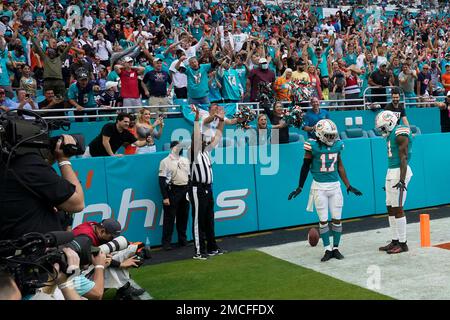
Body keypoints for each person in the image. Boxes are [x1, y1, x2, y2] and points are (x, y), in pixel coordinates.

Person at [288, 119, 362, 261]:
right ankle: (327, 249)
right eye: (328, 135)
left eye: (332, 135)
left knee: (337, 219)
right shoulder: (312, 145)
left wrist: (348, 185)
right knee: (323, 220)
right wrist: (300, 186)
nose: (331, 138)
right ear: (320, 134)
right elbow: (305, 167)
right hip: (319, 187)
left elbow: (340, 166)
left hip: (335, 187)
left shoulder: (338, 145)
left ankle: (336, 248)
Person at [0, 134, 84, 240]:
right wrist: (63, 159)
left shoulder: (10, 165)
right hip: (34, 250)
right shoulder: (29, 165)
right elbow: (77, 203)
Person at [72, 218, 145, 300]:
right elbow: (97, 259)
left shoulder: (94, 226)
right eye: (111, 237)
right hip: (74, 275)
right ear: (102, 231)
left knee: (122, 253)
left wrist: (135, 248)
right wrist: (121, 264)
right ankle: (124, 289)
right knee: (110, 262)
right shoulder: (86, 238)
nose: (112, 239)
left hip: (80, 265)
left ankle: (124, 287)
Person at [188, 105, 227, 260]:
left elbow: (218, 134)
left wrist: (222, 120)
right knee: (199, 220)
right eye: (203, 138)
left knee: (209, 219)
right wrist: (197, 120)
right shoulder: (193, 151)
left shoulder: (205, 152)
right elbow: (196, 136)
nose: (206, 140)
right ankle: (199, 251)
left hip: (207, 189)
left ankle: (212, 247)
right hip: (197, 188)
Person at [375, 110, 413, 254]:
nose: (382, 130)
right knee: (390, 207)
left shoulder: (400, 132)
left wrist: (402, 180)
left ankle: (403, 244)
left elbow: (403, 158)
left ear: (390, 123)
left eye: (383, 127)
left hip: (399, 172)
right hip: (391, 171)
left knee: (398, 207)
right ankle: (395, 240)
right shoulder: (391, 133)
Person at [159, 141, 190, 250]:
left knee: (183, 216)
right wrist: (165, 197)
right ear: (172, 148)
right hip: (173, 190)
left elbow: (189, 176)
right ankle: (166, 243)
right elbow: (161, 181)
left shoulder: (185, 160)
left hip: (185, 190)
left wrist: (189, 191)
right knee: (169, 218)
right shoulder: (165, 162)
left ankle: (183, 240)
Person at [83, 113, 152, 157]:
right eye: (125, 122)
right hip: (91, 153)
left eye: (128, 122)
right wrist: (112, 155)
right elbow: (105, 142)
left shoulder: (126, 133)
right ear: (118, 121)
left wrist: (146, 141)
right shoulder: (109, 126)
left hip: (106, 157)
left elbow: (138, 143)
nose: (127, 124)